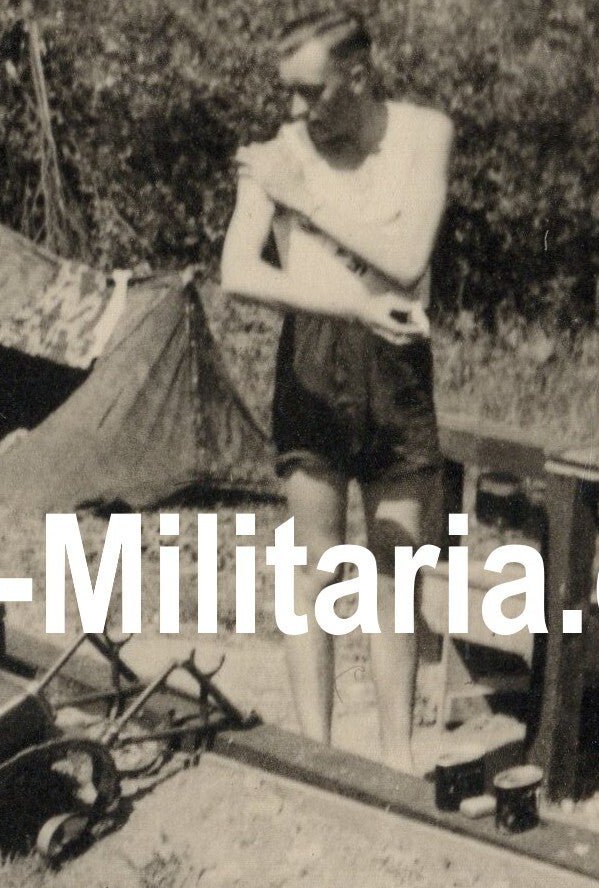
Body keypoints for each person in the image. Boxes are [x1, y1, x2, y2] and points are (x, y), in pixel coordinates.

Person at [219, 10, 454, 774]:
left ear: (357, 76)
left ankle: (396, 762)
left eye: (310, 92)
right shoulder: (280, 150)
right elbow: (238, 271)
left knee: (395, 567)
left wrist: (310, 201)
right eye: (286, 92)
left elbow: (410, 258)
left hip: (397, 368)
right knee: (314, 563)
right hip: (315, 358)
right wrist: (352, 301)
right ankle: (314, 756)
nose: (295, 110)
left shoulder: (422, 134)